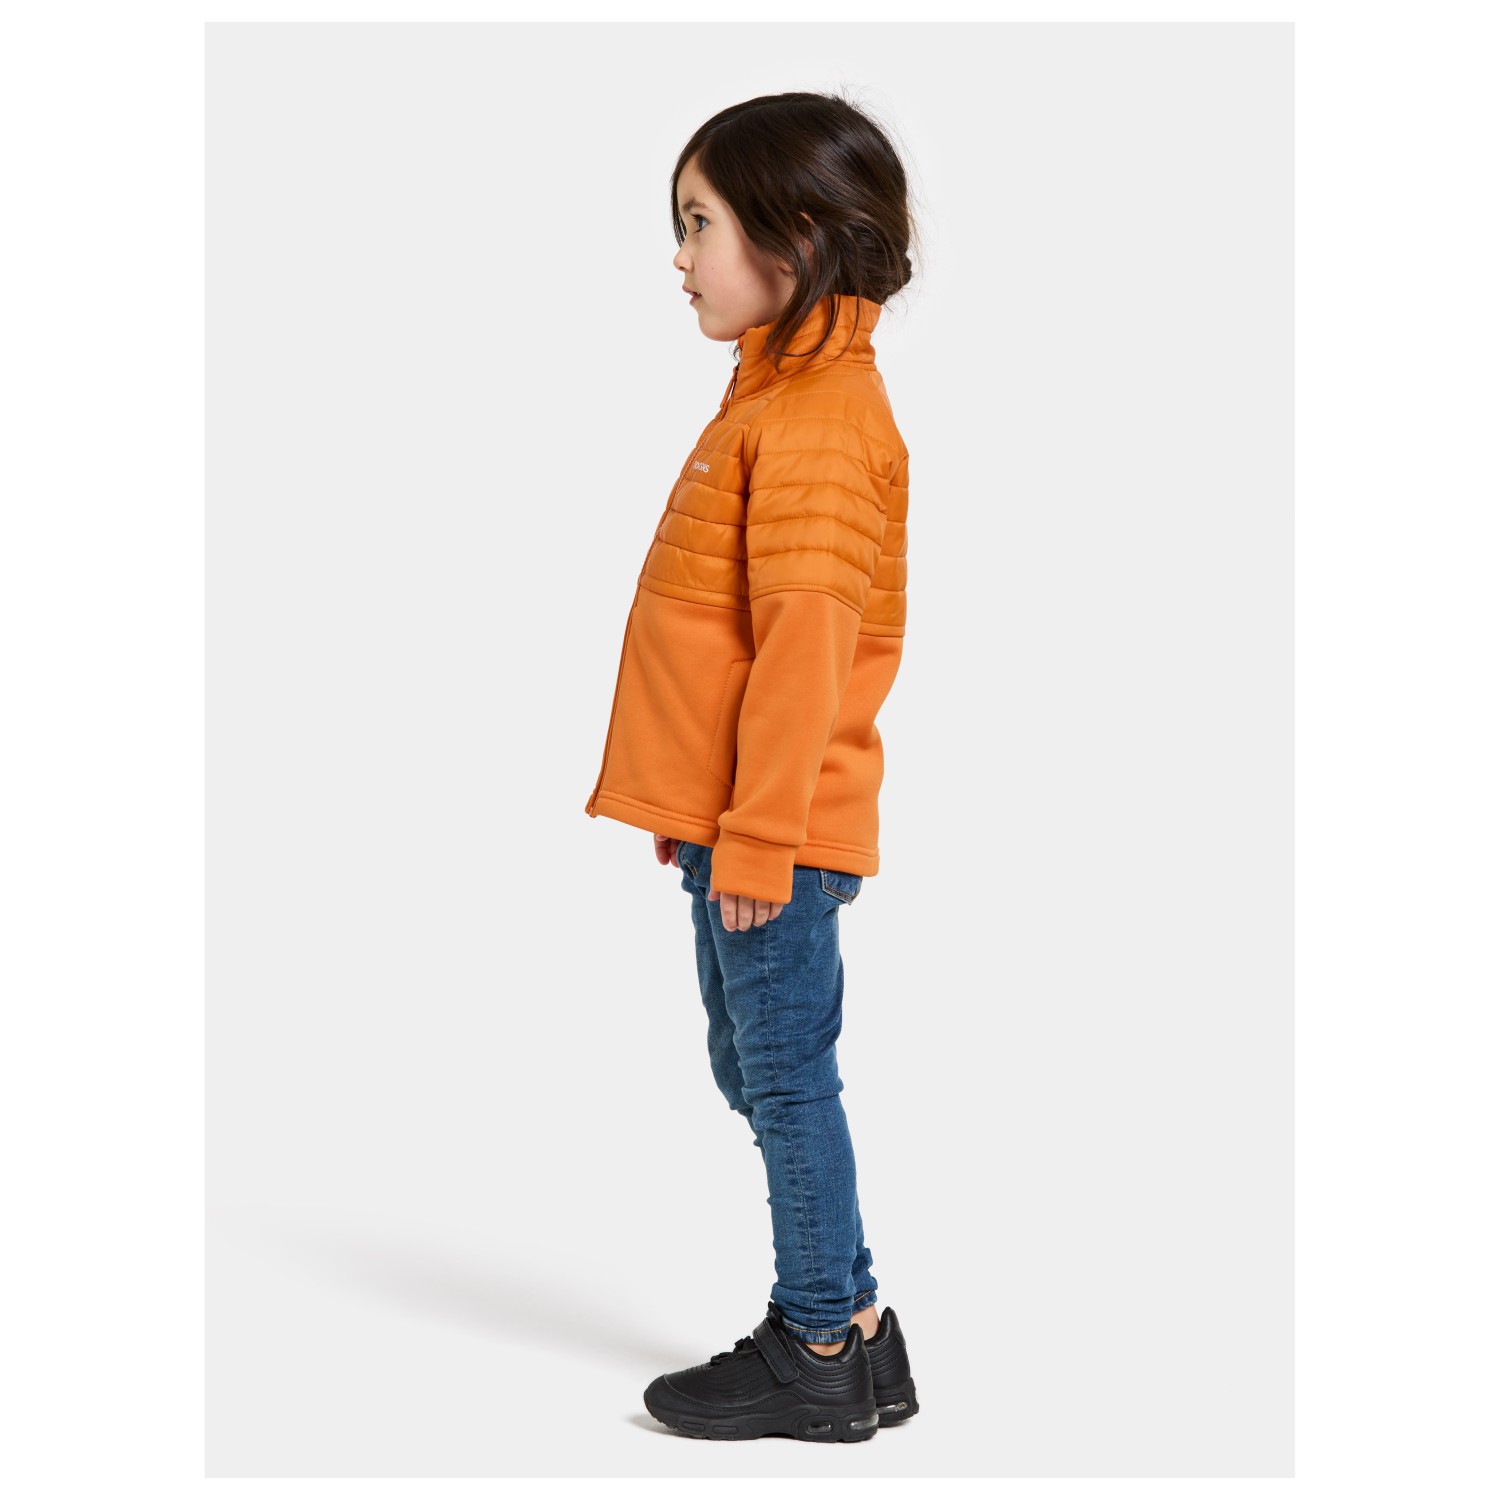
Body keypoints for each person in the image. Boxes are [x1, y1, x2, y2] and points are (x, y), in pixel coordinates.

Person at [583, 91, 920, 1443]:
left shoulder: (821, 418)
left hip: (775, 832)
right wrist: (707, 808)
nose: (680, 257)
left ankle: (817, 1341)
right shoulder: (781, 394)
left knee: (783, 1080)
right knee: (759, 1067)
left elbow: (803, 650)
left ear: (798, 239)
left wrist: (763, 830)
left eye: (699, 224)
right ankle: (864, 1330)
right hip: (742, 821)